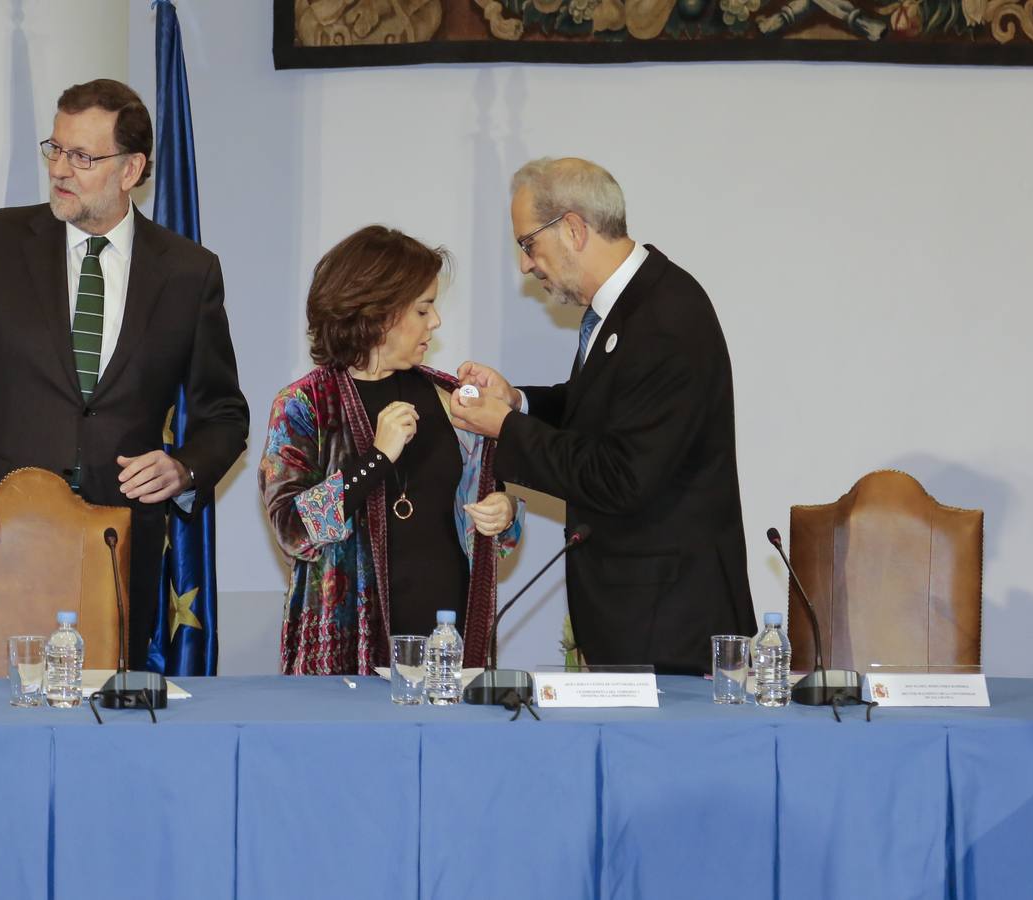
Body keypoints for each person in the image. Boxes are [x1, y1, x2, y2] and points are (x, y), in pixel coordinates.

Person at [0, 79, 249, 667]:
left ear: (131, 168)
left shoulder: (189, 273)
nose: (60, 169)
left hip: (117, 548)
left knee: (104, 738)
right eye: (56, 149)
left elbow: (224, 413)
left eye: (83, 156)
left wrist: (184, 466)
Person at [451, 156, 755, 675]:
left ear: (571, 228)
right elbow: (600, 409)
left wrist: (505, 428)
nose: (526, 264)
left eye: (528, 244)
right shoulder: (630, 305)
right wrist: (518, 401)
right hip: (641, 617)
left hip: (669, 626)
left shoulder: (665, 319)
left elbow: (620, 475)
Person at [259, 225, 521, 675]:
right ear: (378, 313)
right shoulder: (305, 405)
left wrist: (507, 512)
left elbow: (497, 531)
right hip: (347, 665)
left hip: (449, 653)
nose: (435, 322)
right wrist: (375, 461)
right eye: (423, 309)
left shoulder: (451, 397)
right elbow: (292, 530)